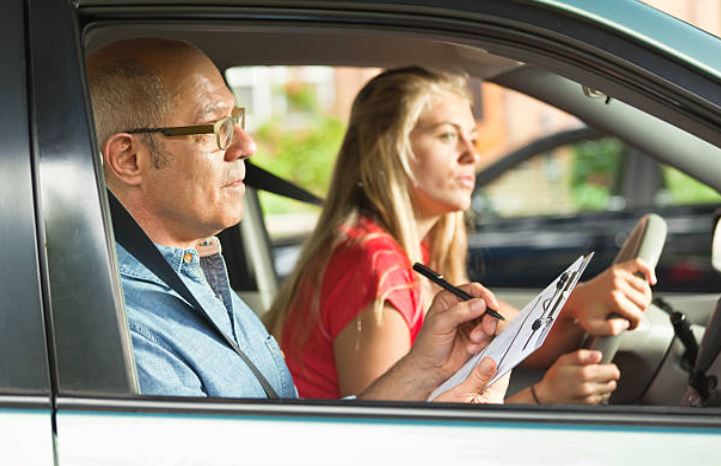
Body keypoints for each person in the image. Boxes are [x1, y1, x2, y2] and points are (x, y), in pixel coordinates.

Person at [86, 37, 508, 403]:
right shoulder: (131, 334)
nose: (246, 145)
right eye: (215, 127)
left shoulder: (199, 276)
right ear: (130, 158)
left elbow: (301, 437)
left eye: (236, 121)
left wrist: (428, 372)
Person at [265, 66, 657, 404]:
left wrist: (579, 301)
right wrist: (542, 399)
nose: (472, 153)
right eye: (447, 136)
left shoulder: (409, 253)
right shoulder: (372, 266)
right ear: (390, 151)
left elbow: (516, 337)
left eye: (471, 136)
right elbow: (386, 439)